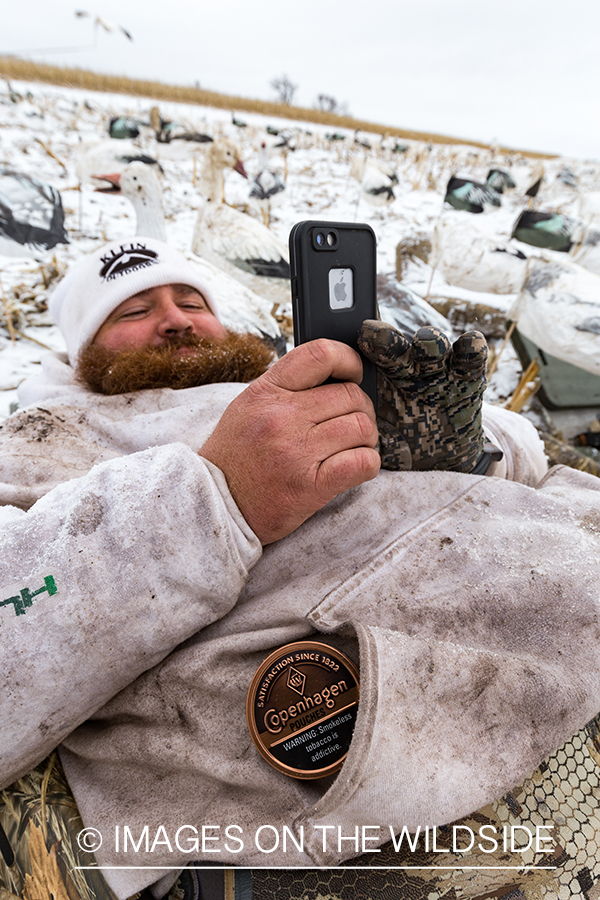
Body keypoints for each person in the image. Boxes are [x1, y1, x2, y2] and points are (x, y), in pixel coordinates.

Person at [1, 237, 600, 900]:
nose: (174, 317)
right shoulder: (47, 438)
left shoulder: (293, 382)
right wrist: (217, 495)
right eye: (130, 311)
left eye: (190, 299)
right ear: (79, 351)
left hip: (548, 590)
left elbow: (526, 456)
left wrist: (464, 448)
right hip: (372, 748)